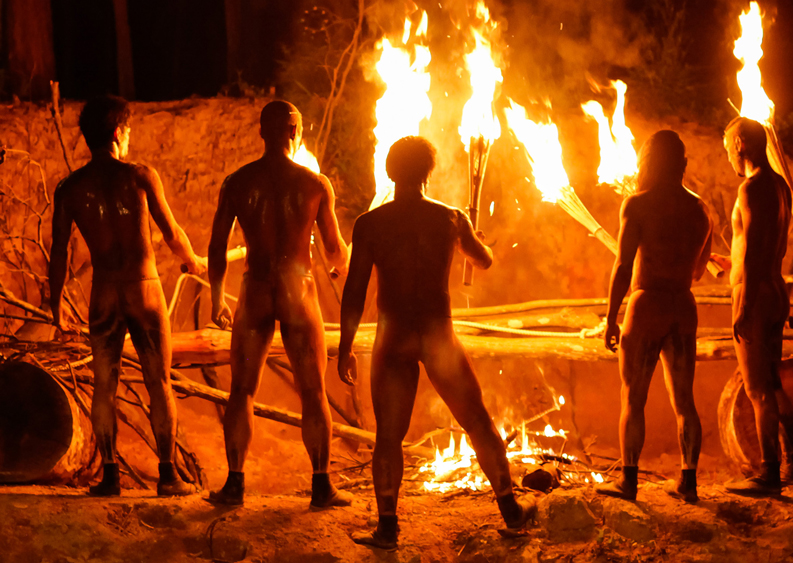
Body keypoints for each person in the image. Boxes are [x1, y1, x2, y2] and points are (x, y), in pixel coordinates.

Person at [338, 136, 535, 551]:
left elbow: (354, 290)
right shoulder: (450, 219)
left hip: (394, 334)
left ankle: (387, 529)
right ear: (429, 172)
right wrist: (473, 240)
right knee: (477, 420)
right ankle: (511, 512)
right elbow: (484, 260)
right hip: (437, 333)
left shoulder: (370, 224)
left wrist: (345, 347)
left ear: (390, 172)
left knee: (388, 437)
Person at [49, 95, 206, 497]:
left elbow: (58, 254)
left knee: (104, 386)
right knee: (159, 382)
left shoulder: (70, 189)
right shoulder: (139, 176)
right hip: (143, 289)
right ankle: (168, 476)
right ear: (118, 132)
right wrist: (193, 262)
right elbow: (171, 233)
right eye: (129, 130)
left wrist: (55, 307)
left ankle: (110, 476)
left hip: (104, 293)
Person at [206, 100, 351, 508]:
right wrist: (344, 261)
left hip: (255, 288)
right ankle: (321, 486)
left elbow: (217, 246)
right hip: (297, 289)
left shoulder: (237, 183)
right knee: (314, 390)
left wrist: (217, 296)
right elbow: (334, 249)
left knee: (242, 390)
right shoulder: (315, 184)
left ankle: (235, 484)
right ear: (294, 132)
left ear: (261, 132)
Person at [595, 131, 711, 503]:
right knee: (684, 400)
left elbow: (623, 265)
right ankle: (689, 482)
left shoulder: (638, 204)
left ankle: (628, 482)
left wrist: (611, 316)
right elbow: (699, 270)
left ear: (648, 162)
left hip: (646, 305)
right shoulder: (700, 209)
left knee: (633, 397)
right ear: (682, 164)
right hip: (682, 305)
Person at [722, 117, 793, 496]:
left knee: (757, 389)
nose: (728, 156)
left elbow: (754, 248)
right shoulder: (780, 186)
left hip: (753, 294)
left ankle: (769, 472)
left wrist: (744, 301)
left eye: (728, 147)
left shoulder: (751, 188)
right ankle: (792, 466)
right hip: (775, 289)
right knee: (773, 383)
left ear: (740, 144)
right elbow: (761, 247)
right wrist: (729, 264)